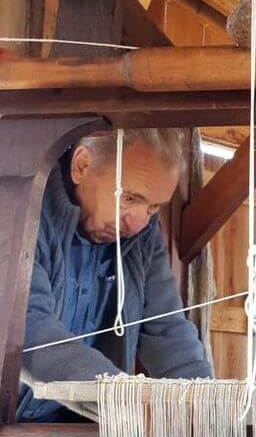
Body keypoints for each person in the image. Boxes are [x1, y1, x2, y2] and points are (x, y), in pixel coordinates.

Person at [17, 128, 212, 422]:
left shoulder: (143, 234)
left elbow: (168, 331)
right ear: (81, 165)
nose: (136, 222)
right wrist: (124, 399)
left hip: (74, 430)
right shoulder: (21, 210)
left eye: (153, 206)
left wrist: (208, 410)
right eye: (129, 198)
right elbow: (30, 330)